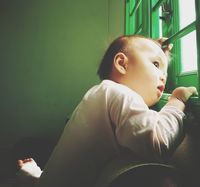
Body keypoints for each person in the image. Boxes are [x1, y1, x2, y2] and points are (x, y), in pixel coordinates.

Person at [17, 35, 197, 187]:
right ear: (122, 64)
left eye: (166, 71)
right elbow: (159, 142)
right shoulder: (119, 94)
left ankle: (32, 175)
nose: (163, 76)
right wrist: (176, 101)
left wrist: (158, 55)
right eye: (156, 65)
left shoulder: (104, 93)